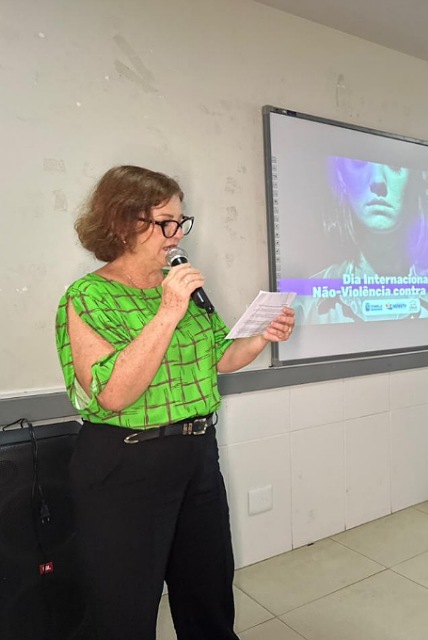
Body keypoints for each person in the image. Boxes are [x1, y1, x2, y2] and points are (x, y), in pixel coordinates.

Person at [55, 166, 296, 640]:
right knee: (124, 608)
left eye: (180, 222)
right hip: (125, 464)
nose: (177, 234)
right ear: (123, 223)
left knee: (208, 593)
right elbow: (112, 393)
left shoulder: (182, 287)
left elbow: (219, 357)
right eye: (166, 222)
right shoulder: (88, 296)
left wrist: (260, 338)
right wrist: (168, 310)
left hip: (196, 455)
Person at [294, 156, 428, 323]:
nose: (378, 181)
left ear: (412, 181)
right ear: (341, 177)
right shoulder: (306, 302)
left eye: (395, 165)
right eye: (359, 163)